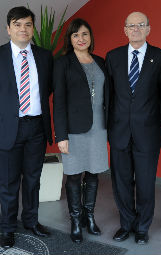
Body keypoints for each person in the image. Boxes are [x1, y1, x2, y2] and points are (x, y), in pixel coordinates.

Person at [0, 6, 53, 249]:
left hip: (36, 128)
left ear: (33, 29)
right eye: (17, 25)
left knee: (33, 179)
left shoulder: (44, 56)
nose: (23, 29)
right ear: (8, 29)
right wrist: (5, 111)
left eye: (28, 24)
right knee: (9, 183)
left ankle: (31, 221)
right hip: (9, 129)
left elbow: (46, 88)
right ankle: (8, 228)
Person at [105, 11, 161, 245]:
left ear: (148, 29)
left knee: (145, 184)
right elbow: (109, 97)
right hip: (119, 132)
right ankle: (126, 224)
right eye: (131, 25)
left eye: (140, 25)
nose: (135, 29)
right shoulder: (112, 57)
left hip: (147, 134)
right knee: (121, 183)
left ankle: (142, 227)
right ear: (125, 30)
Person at [53, 18, 109, 243]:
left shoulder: (100, 61)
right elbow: (58, 102)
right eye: (76, 35)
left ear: (91, 37)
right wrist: (61, 136)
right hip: (74, 130)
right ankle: (75, 221)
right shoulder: (63, 63)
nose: (81, 38)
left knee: (94, 173)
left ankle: (89, 217)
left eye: (85, 34)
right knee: (74, 175)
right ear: (70, 39)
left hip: (99, 127)